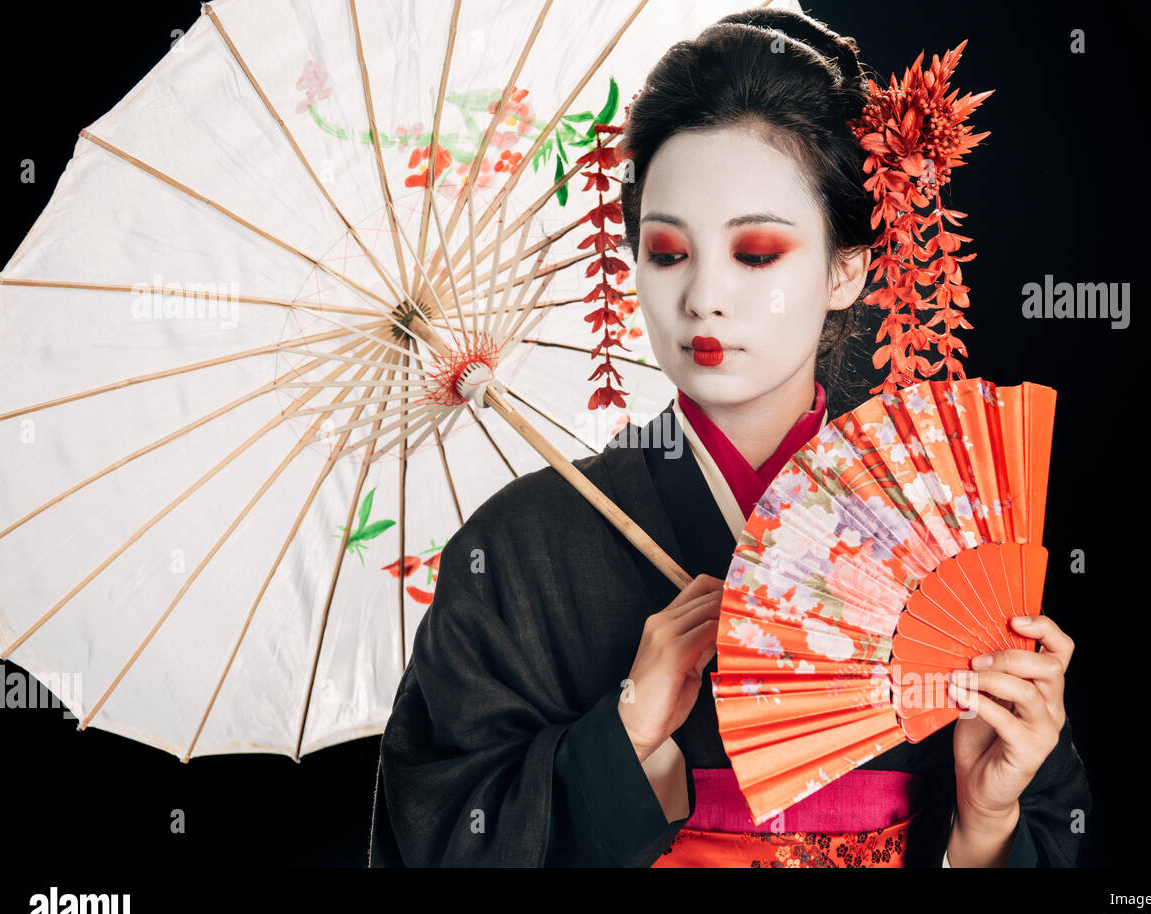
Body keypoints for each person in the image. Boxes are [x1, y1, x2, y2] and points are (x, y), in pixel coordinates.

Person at [368, 7, 1090, 868]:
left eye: (755, 253)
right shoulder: (517, 552)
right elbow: (438, 833)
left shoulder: (949, 532)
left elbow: (1044, 835)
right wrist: (625, 730)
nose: (704, 297)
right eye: (668, 253)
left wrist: (984, 823)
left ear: (846, 266)